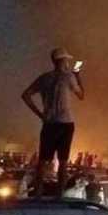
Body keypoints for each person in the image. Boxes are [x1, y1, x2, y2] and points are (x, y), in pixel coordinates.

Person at [22, 47, 85, 198]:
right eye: (67, 60)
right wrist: (78, 76)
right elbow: (81, 95)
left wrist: (40, 114)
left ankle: (37, 195)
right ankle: (59, 197)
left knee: (43, 162)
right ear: (62, 60)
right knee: (63, 162)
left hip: (49, 123)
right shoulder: (69, 77)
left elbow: (26, 95)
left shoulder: (44, 78)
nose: (68, 62)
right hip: (66, 123)